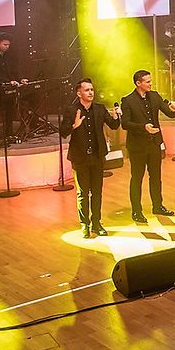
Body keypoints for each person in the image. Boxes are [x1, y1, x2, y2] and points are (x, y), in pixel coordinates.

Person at [59, 78, 120, 238]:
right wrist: (74, 126)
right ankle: (84, 224)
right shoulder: (71, 110)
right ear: (79, 93)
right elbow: (63, 132)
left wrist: (116, 117)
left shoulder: (99, 108)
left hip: (97, 156)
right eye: (87, 90)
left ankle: (96, 223)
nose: (91, 92)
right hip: (80, 157)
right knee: (83, 193)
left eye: (92, 89)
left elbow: (113, 125)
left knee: (97, 192)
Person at [119, 69, 175, 223]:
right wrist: (143, 127)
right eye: (147, 81)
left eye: (150, 81)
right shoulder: (128, 100)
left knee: (156, 177)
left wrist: (174, 108)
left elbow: (169, 113)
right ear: (138, 83)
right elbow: (125, 123)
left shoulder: (154, 96)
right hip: (137, 146)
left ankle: (158, 206)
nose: (150, 83)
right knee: (137, 178)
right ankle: (136, 211)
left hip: (154, 143)